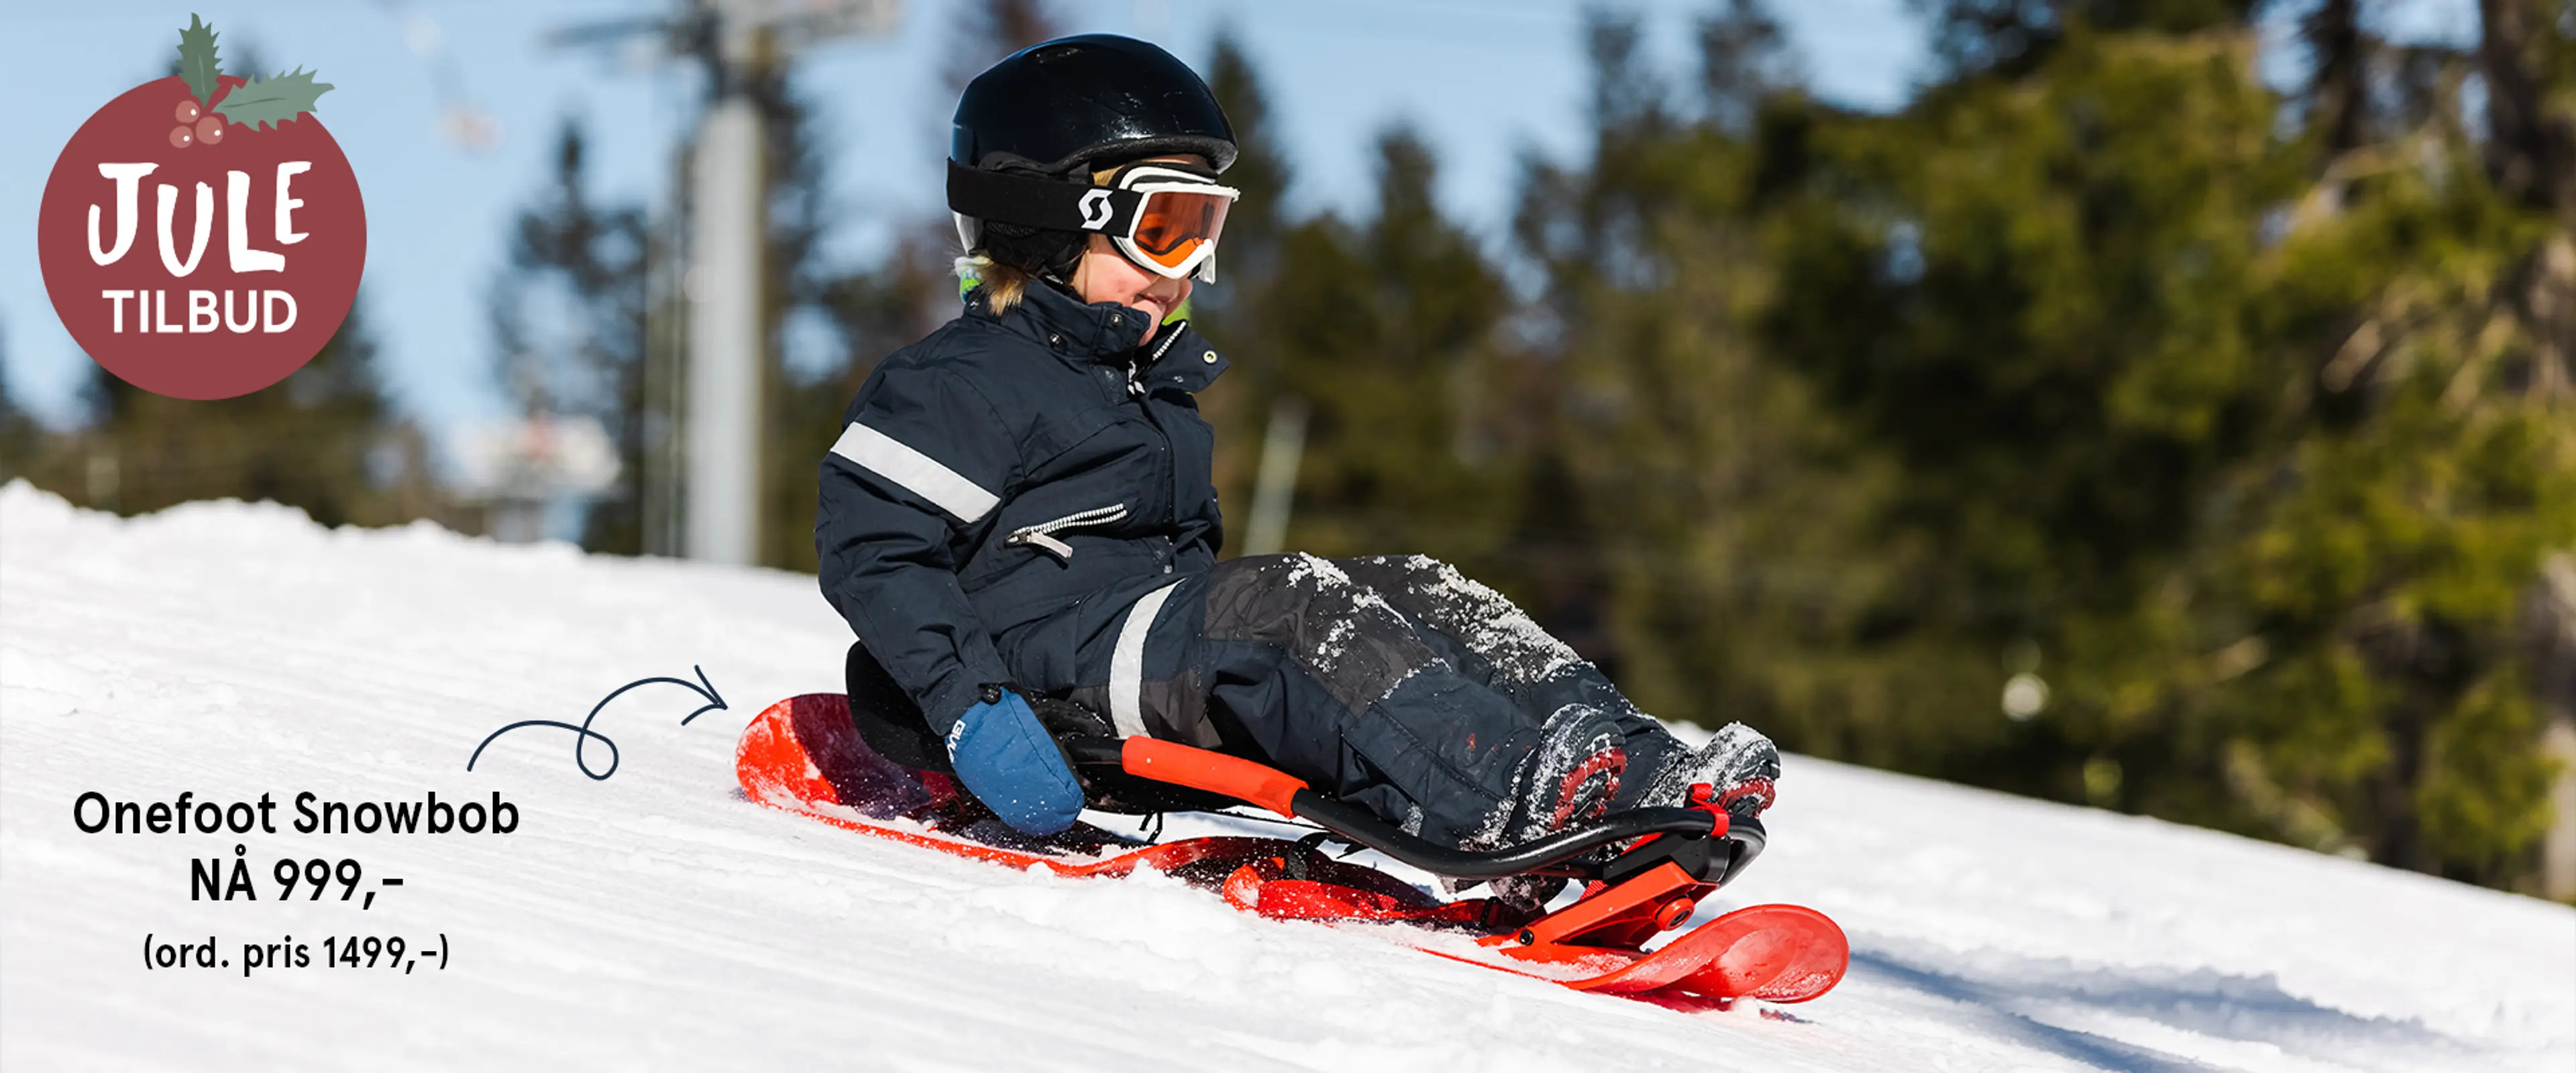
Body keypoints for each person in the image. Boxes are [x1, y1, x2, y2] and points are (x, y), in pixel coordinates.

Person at [815, 34, 1779, 905]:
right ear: (1050, 222)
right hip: (1043, 674)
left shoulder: (1145, 387)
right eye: (1164, 229)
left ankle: (1640, 772)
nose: (1187, 265)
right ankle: (1512, 797)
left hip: (1145, 646)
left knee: (1414, 586)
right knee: (1289, 608)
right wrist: (975, 708)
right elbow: (872, 546)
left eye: (1207, 229)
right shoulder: (963, 378)